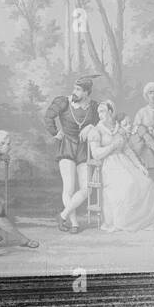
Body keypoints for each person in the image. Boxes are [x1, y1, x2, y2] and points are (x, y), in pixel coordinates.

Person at [86, 101, 154, 233]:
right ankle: (122, 222)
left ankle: (141, 221)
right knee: (128, 184)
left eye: (103, 111)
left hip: (124, 162)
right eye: (99, 112)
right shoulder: (96, 131)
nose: (100, 115)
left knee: (146, 183)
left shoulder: (119, 129)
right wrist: (112, 146)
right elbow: (96, 154)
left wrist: (139, 166)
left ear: (111, 112)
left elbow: (128, 150)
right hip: (107, 165)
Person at [44, 76, 100, 233]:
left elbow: (103, 121)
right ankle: (74, 223)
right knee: (68, 187)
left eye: (78, 90)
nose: (73, 92)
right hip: (67, 146)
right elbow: (48, 117)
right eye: (74, 88)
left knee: (86, 188)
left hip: (84, 149)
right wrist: (55, 132)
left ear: (87, 92)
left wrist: (91, 127)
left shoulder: (95, 107)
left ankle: (62, 215)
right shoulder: (63, 102)